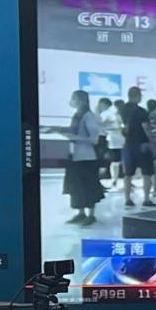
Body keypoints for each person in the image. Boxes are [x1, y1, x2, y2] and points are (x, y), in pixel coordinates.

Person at [62, 90, 105, 225]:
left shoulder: (89, 116)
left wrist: (74, 137)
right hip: (74, 156)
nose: (72, 101)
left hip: (87, 157)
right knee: (76, 186)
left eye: (74, 98)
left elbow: (94, 139)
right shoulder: (77, 115)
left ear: (81, 100)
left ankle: (91, 215)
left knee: (88, 186)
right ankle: (80, 213)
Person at [116, 86, 155, 209]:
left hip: (128, 144)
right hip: (143, 144)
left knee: (128, 174)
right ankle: (147, 199)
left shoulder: (122, 110)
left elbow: (121, 127)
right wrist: (152, 139)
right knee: (147, 173)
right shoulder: (141, 111)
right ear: (137, 96)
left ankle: (127, 199)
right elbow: (146, 128)